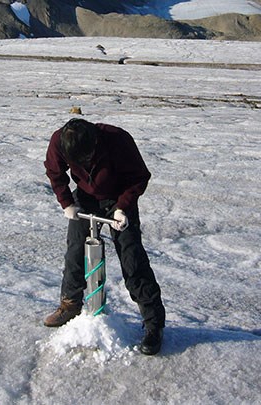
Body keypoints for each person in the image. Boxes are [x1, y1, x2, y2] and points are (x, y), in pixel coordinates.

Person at [43, 118, 166, 355]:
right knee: (75, 251)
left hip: (119, 197)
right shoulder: (59, 141)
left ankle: (153, 323)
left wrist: (123, 207)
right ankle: (70, 305)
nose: (86, 163)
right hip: (86, 199)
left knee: (132, 258)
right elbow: (54, 171)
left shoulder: (118, 139)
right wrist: (67, 203)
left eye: (88, 158)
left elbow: (139, 176)